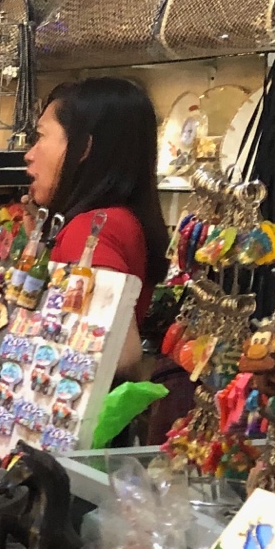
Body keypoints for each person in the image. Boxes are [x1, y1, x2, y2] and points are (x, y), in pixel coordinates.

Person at [22, 77, 170, 381]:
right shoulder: (118, 218)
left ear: (83, 148)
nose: (30, 154)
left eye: (41, 137)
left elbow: (121, 354)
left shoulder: (91, 230)